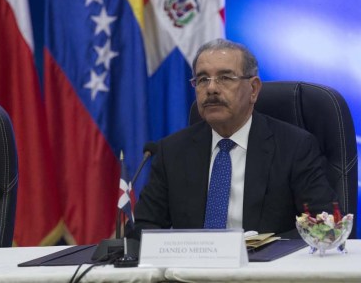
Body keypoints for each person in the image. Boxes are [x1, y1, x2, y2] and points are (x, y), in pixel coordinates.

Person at [129, 38, 336, 238]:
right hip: (190, 271)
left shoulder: (294, 147)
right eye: (202, 80)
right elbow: (145, 230)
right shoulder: (172, 151)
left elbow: (323, 227)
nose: (211, 88)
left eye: (225, 78)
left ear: (253, 89)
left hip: (267, 270)